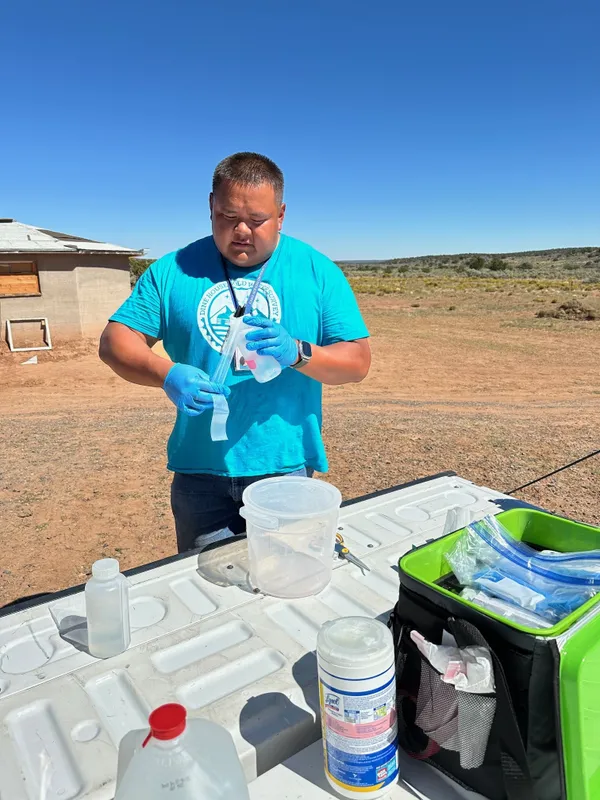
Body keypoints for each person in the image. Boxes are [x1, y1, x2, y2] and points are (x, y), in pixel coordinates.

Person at [99, 152, 371, 553]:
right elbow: (114, 342)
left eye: (257, 220)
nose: (242, 230)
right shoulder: (173, 270)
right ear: (211, 206)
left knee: (285, 581)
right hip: (199, 473)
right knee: (207, 588)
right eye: (228, 217)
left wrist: (298, 351)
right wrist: (166, 374)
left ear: (281, 215)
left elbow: (357, 363)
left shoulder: (316, 270)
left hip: (284, 468)